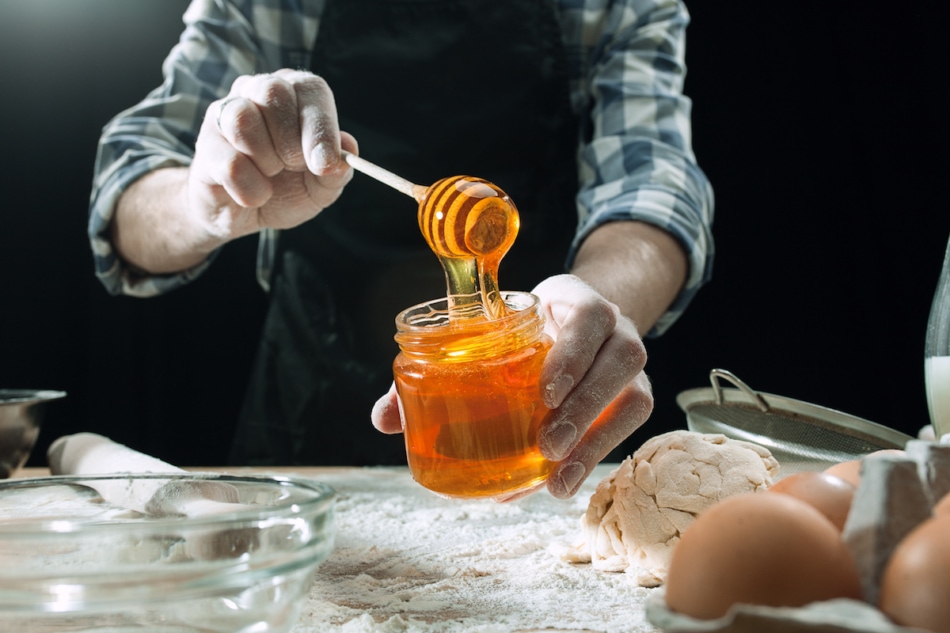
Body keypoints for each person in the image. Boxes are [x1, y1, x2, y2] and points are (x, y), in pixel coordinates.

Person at [88, 0, 714, 500]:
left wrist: (599, 303)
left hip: (535, 370)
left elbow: (652, 185)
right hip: (306, 406)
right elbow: (126, 194)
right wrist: (206, 203)